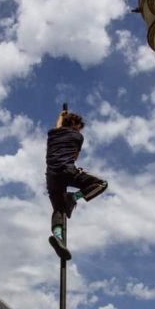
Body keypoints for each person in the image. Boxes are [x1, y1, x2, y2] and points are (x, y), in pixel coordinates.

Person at [46, 110, 108, 260]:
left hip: (51, 176)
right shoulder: (77, 137)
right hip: (67, 171)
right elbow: (75, 156)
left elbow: (58, 126)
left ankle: (58, 237)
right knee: (101, 183)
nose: (80, 130)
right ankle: (74, 197)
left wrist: (61, 115)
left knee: (58, 209)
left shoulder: (52, 134)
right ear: (74, 124)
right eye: (79, 127)